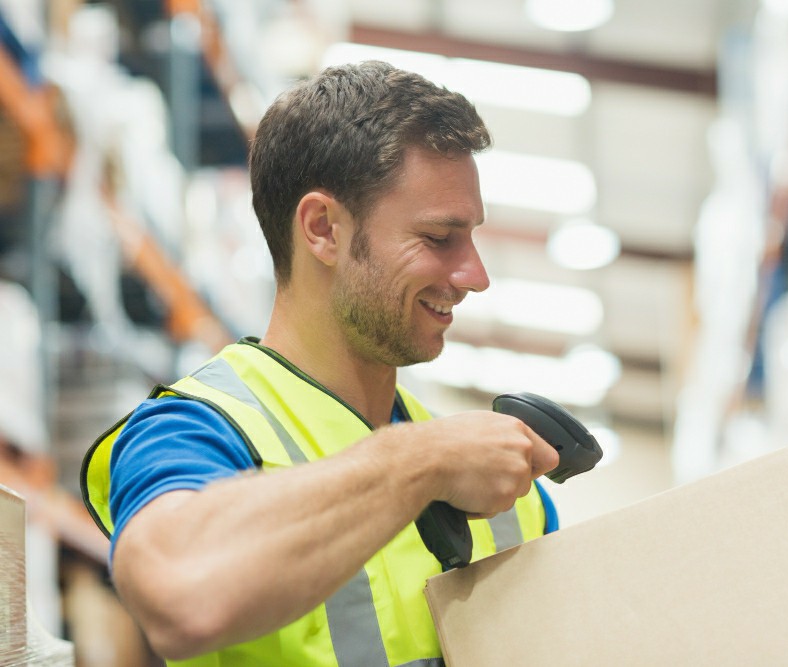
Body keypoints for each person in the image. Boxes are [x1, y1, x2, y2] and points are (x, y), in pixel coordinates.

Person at [81, 60, 561, 666]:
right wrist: (420, 460)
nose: (475, 276)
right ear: (322, 229)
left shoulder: (508, 489)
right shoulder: (196, 431)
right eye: (440, 238)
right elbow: (181, 595)